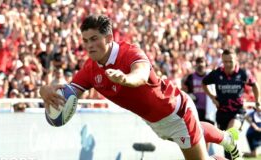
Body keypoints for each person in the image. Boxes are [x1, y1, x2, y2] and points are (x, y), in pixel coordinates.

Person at [39, 15, 242, 160]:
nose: (89, 45)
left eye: (94, 39)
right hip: (155, 122)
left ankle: (225, 147)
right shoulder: (90, 69)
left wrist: (126, 79)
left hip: (176, 112)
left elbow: (141, 73)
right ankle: (227, 140)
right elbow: (70, 92)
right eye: (85, 41)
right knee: (196, 135)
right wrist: (46, 91)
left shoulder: (129, 52)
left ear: (109, 38)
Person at [202, 49, 260, 159]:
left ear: (236, 60)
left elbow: (255, 85)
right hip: (222, 112)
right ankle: (234, 155)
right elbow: (204, 83)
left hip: (237, 111)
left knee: (230, 132)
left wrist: (258, 102)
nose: (228, 64)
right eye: (225, 62)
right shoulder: (217, 73)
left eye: (230, 61)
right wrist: (212, 98)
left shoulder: (243, 74)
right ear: (222, 61)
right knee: (227, 145)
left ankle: (236, 135)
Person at [183, 57, 215, 124]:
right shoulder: (191, 77)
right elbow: (184, 89)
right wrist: (190, 95)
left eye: (202, 62)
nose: (200, 64)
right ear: (196, 64)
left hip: (209, 109)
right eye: (198, 62)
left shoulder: (210, 76)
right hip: (196, 108)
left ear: (205, 64)